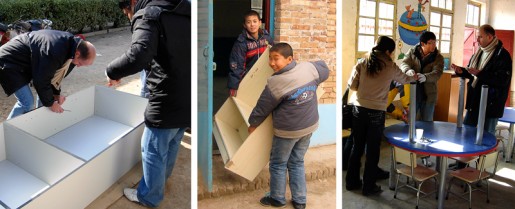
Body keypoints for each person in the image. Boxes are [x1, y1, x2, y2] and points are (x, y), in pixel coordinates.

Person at [107, 0, 191, 207]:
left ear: (132, 3)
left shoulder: (150, 15)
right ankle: (161, 180)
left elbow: (139, 55)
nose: (129, 16)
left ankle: (149, 196)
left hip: (167, 95)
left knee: (152, 149)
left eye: (127, 11)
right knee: (172, 141)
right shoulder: (186, 10)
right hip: (189, 93)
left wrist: (111, 71)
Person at [247, 43, 328, 209]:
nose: (271, 63)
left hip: (288, 132)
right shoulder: (308, 68)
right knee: (297, 162)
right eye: (270, 58)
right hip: (309, 126)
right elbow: (324, 69)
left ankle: (277, 198)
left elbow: (262, 108)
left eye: (276, 59)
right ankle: (299, 200)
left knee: (278, 163)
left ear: (289, 59)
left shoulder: (276, 82)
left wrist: (253, 124)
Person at [345, 36, 416, 196]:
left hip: (358, 109)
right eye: (392, 52)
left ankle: (351, 182)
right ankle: (368, 187)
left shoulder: (362, 62)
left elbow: (352, 86)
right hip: (376, 112)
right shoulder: (390, 66)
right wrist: (415, 76)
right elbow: (406, 79)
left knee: (357, 147)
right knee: (372, 150)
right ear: (387, 51)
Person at [0, 30, 96, 119]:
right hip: (9, 61)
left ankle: (41, 123)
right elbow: (41, 80)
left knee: (46, 97)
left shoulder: (72, 48)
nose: (78, 66)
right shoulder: (55, 50)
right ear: (78, 54)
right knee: (27, 102)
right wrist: (51, 103)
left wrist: (56, 94)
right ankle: (6, 134)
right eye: (80, 63)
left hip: (24, 62)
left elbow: (53, 77)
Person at [451, 24, 512, 135]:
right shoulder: (479, 52)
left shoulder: (503, 55)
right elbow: (473, 74)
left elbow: (502, 80)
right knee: (467, 132)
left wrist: (480, 73)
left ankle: (487, 153)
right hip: (474, 101)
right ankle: (468, 153)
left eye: (480, 37)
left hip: (491, 103)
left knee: (487, 136)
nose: (477, 39)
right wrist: (462, 71)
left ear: (489, 37)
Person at [400, 31, 443, 167]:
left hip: (429, 95)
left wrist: (426, 77)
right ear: (422, 44)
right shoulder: (413, 52)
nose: (433, 45)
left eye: (435, 42)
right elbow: (404, 64)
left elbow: (437, 73)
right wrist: (409, 71)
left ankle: (426, 156)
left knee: (427, 125)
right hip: (414, 93)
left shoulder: (438, 57)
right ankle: (408, 154)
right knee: (411, 122)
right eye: (430, 43)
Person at [228, 10, 274, 97]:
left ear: (260, 23)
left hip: (265, 76)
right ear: (244, 25)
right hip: (249, 78)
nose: (252, 25)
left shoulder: (267, 38)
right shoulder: (241, 43)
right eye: (249, 22)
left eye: (255, 21)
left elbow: (274, 56)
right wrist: (234, 86)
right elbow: (237, 66)